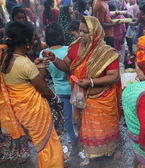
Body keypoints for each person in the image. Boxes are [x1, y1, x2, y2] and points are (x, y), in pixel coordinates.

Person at [42, 16, 122, 160]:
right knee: (90, 129)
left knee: (106, 127)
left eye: (85, 32)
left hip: (103, 97)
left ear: (95, 32)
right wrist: (54, 59)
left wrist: (91, 82)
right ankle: (94, 151)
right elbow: (66, 66)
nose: (80, 35)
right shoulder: (75, 46)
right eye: (80, 31)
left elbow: (114, 76)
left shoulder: (106, 52)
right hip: (83, 97)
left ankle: (111, 148)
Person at [0, 21, 64, 168]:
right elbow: (44, 89)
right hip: (34, 109)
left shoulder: (6, 57)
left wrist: (34, 66)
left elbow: (20, 78)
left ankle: (50, 167)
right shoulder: (23, 63)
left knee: (39, 139)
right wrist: (56, 97)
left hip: (21, 109)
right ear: (27, 41)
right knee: (48, 139)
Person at [38, 22, 77, 146]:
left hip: (60, 91)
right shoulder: (69, 49)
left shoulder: (44, 53)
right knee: (79, 116)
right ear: (61, 35)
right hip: (75, 89)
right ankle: (84, 137)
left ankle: (73, 138)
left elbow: (43, 74)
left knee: (67, 118)